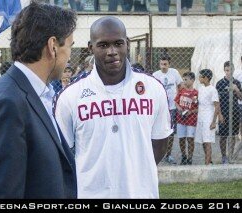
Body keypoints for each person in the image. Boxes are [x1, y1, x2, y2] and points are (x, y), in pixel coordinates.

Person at [54, 17, 172, 198]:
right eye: (103, 45)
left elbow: (160, 143)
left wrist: (135, 173)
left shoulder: (152, 89)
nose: (112, 51)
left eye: (118, 43)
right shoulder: (71, 96)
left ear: (127, 43)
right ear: (90, 48)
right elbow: (63, 157)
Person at [0, 2, 77, 198]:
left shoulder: (34, 93)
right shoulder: (8, 103)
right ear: (52, 46)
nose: (69, 56)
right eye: (70, 46)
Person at [153, 54, 183, 164]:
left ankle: (169, 154)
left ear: (169, 64)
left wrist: (178, 100)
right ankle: (157, 154)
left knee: (171, 133)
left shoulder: (174, 72)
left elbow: (180, 86)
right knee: (158, 131)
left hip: (172, 108)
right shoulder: (155, 75)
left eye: (165, 64)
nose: (163, 66)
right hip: (160, 109)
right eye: (161, 64)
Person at [216, 61, 242, 164]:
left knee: (232, 136)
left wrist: (236, 89)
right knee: (223, 136)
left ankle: (230, 156)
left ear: (233, 70)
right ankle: (224, 157)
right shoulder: (219, 83)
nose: (229, 72)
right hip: (224, 111)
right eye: (227, 70)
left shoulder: (237, 83)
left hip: (235, 111)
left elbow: (241, 97)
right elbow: (217, 101)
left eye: (230, 70)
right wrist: (219, 114)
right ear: (224, 70)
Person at [195, 69, 222, 165]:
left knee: (208, 142)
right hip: (201, 117)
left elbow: (217, 105)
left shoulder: (212, 90)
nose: (199, 78)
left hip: (208, 118)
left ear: (206, 78)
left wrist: (214, 121)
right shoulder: (201, 88)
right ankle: (209, 161)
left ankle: (206, 165)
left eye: (200, 76)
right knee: (203, 141)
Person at [174, 72, 198, 165]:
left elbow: (197, 107)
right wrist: (179, 107)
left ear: (192, 80)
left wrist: (191, 111)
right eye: (183, 79)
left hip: (191, 119)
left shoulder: (195, 92)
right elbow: (176, 101)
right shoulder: (181, 91)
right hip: (181, 119)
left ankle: (190, 158)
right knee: (181, 138)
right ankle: (184, 156)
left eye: (186, 79)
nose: (184, 81)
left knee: (190, 139)